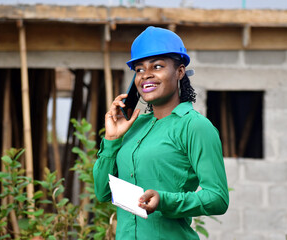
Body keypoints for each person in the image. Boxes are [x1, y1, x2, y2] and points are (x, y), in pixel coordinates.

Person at [93, 26, 229, 240]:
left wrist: (163, 200)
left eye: (157, 66)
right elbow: (102, 191)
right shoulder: (133, 126)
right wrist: (111, 139)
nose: (146, 75)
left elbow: (218, 198)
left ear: (180, 71)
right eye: (139, 69)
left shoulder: (195, 127)